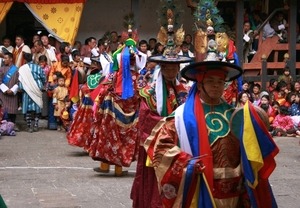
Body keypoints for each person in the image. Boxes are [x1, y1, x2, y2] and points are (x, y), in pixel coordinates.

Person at [144, 49, 279, 207]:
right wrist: (188, 163)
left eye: (220, 81)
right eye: (210, 80)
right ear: (200, 84)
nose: (216, 84)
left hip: (236, 193)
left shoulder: (236, 115)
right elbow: (160, 148)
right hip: (201, 187)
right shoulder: (181, 117)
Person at [131, 16, 193, 207]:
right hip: (156, 147)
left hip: (180, 146)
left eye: (175, 67)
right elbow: (145, 119)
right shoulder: (150, 93)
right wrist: (172, 125)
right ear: (161, 66)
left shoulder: (184, 90)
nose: (171, 70)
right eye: (167, 67)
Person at [18, 53, 46, 132]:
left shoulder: (22, 68)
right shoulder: (38, 67)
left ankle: (29, 126)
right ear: (32, 59)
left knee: (27, 109)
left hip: (26, 90)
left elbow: (20, 80)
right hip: (37, 89)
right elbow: (43, 78)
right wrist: (41, 86)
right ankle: (36, 125)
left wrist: (21, 88)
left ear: (25, 60)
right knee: (37, 108)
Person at [0, 53, 20, 131]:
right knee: (4, 109)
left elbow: (19, 81)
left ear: (11, 59)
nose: (4, 60)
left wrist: (12, 90)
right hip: (3, 94)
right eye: (4, 58)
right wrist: (5, 89)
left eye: (6, 58)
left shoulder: (17, 70)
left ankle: (13, 125)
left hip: (13, 94)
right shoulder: (1, 69)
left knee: (12, 109)